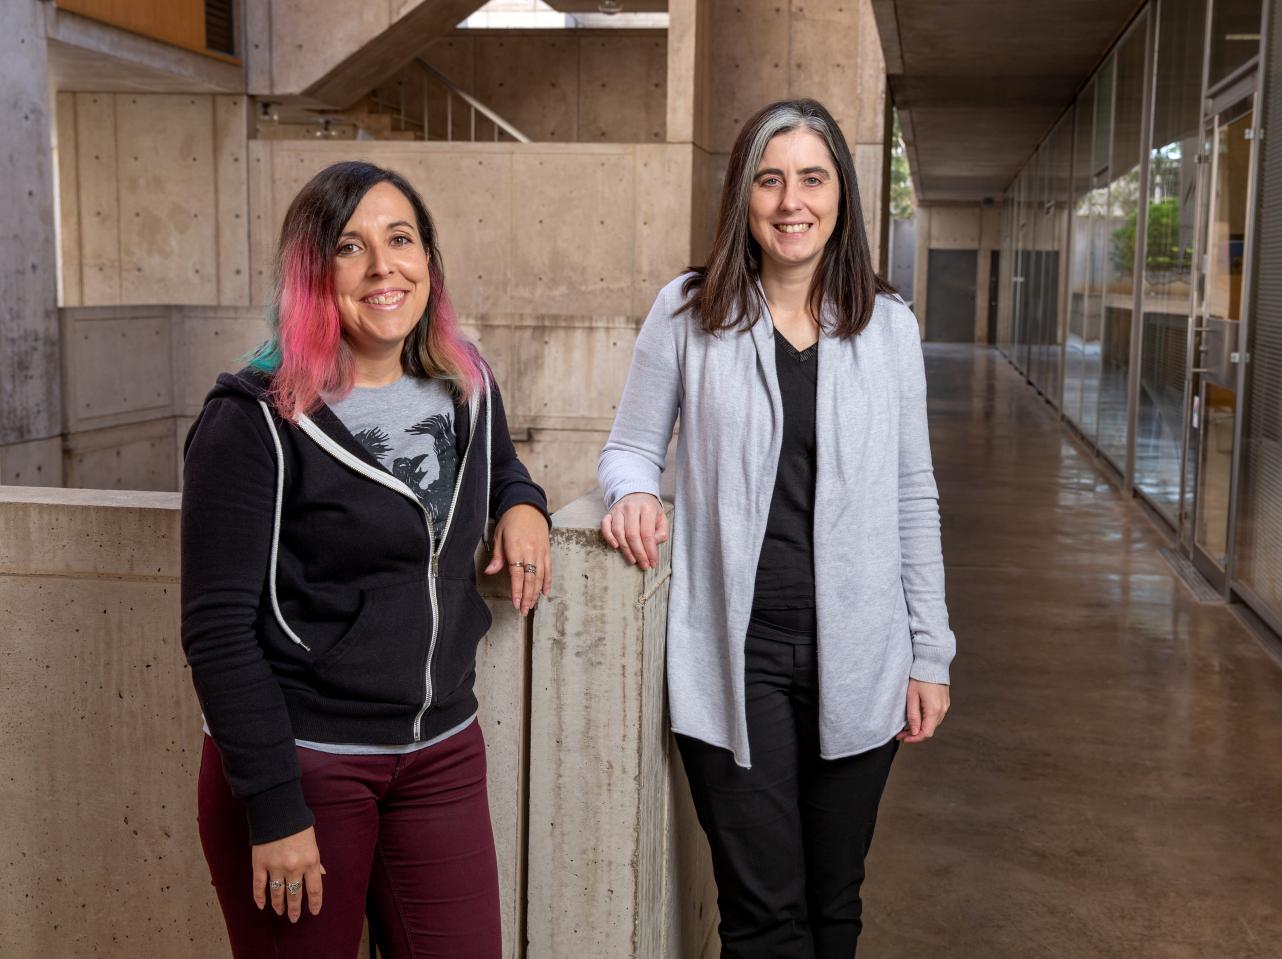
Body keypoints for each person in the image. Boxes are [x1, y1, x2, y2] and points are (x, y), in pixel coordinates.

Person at [597, 98, 955, 958]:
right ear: (743, 195)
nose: (792, 201)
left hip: (862, 655)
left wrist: (930, 652)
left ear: (842, 195)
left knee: (835, 903)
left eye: (813, 179)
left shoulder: (889, 326)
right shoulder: (688, 311)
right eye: (770, 179)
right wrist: (633, 492)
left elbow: (914, 492)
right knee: (762, 918)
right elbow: (630, 448)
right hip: (736, 655)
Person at [181, 160, 551, 958]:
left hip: (442, 753)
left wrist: (523, 503)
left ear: (428, 259)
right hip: (307, 763)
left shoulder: (466, 380)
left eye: (401, 239)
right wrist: (274, 805)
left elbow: (498, 467)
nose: (384, 266)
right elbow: (217, 631)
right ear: (313, 272)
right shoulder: (253, 417)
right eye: (350, 246)